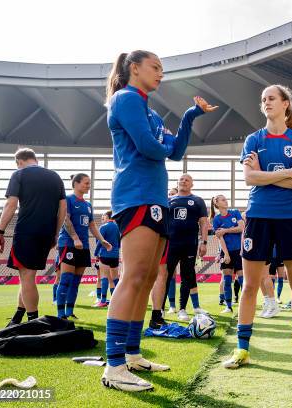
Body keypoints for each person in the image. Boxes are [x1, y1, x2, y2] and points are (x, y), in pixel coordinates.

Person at [101, 50, 217, 392]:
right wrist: (162, 143)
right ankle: (114, 365)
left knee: (150, 276)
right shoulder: (124, 99)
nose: (161, 74)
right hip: (134, 196)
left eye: (162, 69)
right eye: (156, 67)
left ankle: (133, 354)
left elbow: (175, 151)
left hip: (154, 199)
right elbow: (151, 148)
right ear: (134, 68)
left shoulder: (149, 110)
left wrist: (190, 116)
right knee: (133, 276)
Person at [222, 84, 292, 369]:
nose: (266, 102)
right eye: (263, 99)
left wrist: (265, 174)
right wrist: (286, 172)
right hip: (258, 216)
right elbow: (249, 179)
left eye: (271, 98)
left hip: (291, 216)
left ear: (285, 104)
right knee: (250, 285)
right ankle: (242, 349)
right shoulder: (253, 139)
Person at [0, 148, 67, 326]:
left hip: (27, 230)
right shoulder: (55, 176)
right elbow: (63, 209)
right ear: (34, 159)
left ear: (19, 161)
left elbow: (11, 204)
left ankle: (34, 323)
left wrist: (0, 231)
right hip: (46, 232)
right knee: (27, 276)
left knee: (27, 277)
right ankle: (17, 317)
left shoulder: (19, 174)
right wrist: (55, 233)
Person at [55, 173, 112, 320]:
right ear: (76, 184)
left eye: (89, 183)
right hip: (69, 244)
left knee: (75, 282)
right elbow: (65, 219)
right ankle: (61, 314)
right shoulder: (67, 199)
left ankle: (70, 312)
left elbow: (92, 225)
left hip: (84, 246)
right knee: (66, 279)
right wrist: (75, 238)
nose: (89, 185)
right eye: (86, 183)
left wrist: (102, 240)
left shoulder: (88, 205)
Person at [162, 174, 209, 322]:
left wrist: (204, 242)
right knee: (166, 276)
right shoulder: (169, 200)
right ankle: (161, 309)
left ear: (192, 184)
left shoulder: (197, 201)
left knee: (187, 276)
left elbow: (203, 222)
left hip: (190, 244)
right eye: (181, 179)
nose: (183, 181)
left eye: (187, 180)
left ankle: (182, 309)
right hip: (170, 244)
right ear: (177, 183)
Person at [211, 194, 244, 314]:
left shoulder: (235, 212)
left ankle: (245, 304)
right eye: (223, 200)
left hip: (239, 251)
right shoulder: (216, 219)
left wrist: (225, 230)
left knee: (242, 278)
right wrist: (226, 254)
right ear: (217, 204)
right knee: (227, 279)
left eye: (226, 199)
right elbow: (220, 238)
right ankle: (228, 306)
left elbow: (241, 228)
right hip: (226, 252)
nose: (226, 201)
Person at [94, 211, 121, 307]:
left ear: (109, 217)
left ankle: (103, 300)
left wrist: (95, 253)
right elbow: (119, 242)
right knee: (115, 278)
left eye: (104, 216)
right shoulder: (118, 227)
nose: (103, 218)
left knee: (104, 277)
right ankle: (117, 301)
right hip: (115, 255)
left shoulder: (103, 227)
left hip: (105, 254)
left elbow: (100, 242)